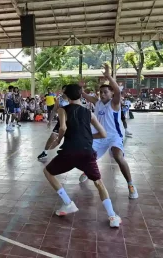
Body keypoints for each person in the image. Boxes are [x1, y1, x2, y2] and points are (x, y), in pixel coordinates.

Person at [43, 84, 121, 227]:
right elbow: (103, 134)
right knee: (99, 183)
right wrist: (86, 137)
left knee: (47, 172)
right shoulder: (89, 113)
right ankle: (112, 217)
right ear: (81, 95)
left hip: (69, 152)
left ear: (66, 97)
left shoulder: (62, 110)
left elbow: (62, 128)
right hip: (86, 152)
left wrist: (59, 140)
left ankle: (68, 203)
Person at [79, 64, 138, 199]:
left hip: (113, 136)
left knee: (118, 157)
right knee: (88, 156)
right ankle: (87, 172)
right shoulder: (97, 102)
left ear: (111, 93)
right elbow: (83, 94)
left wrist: (108, 77)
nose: (103, 94)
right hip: (99, 137)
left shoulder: (115, 103)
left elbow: (118, 91)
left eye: (106, 92)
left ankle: (130, 184)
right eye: (101, 92)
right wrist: (81, 86)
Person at [37, 85, 69, 161]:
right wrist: (50, 121)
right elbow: (54, 110)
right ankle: (45, 152)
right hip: (60, 122)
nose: (65, 91)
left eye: (66, 90)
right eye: (63, 89)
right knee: (52, 137)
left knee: (72, 140)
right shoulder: (59, 99)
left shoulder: (72, 99)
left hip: (71, 123)